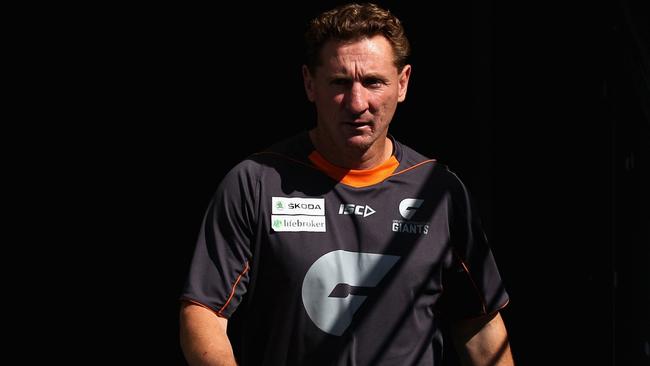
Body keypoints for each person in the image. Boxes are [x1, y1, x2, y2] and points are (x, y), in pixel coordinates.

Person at [179, 3, 514, 365]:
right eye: (339, 82)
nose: (357, 103)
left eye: (373, 82)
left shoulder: (440, 191)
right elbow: (203, 311)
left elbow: (479, 326)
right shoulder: (256, 182)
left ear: (402, 84)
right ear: (310, 83)